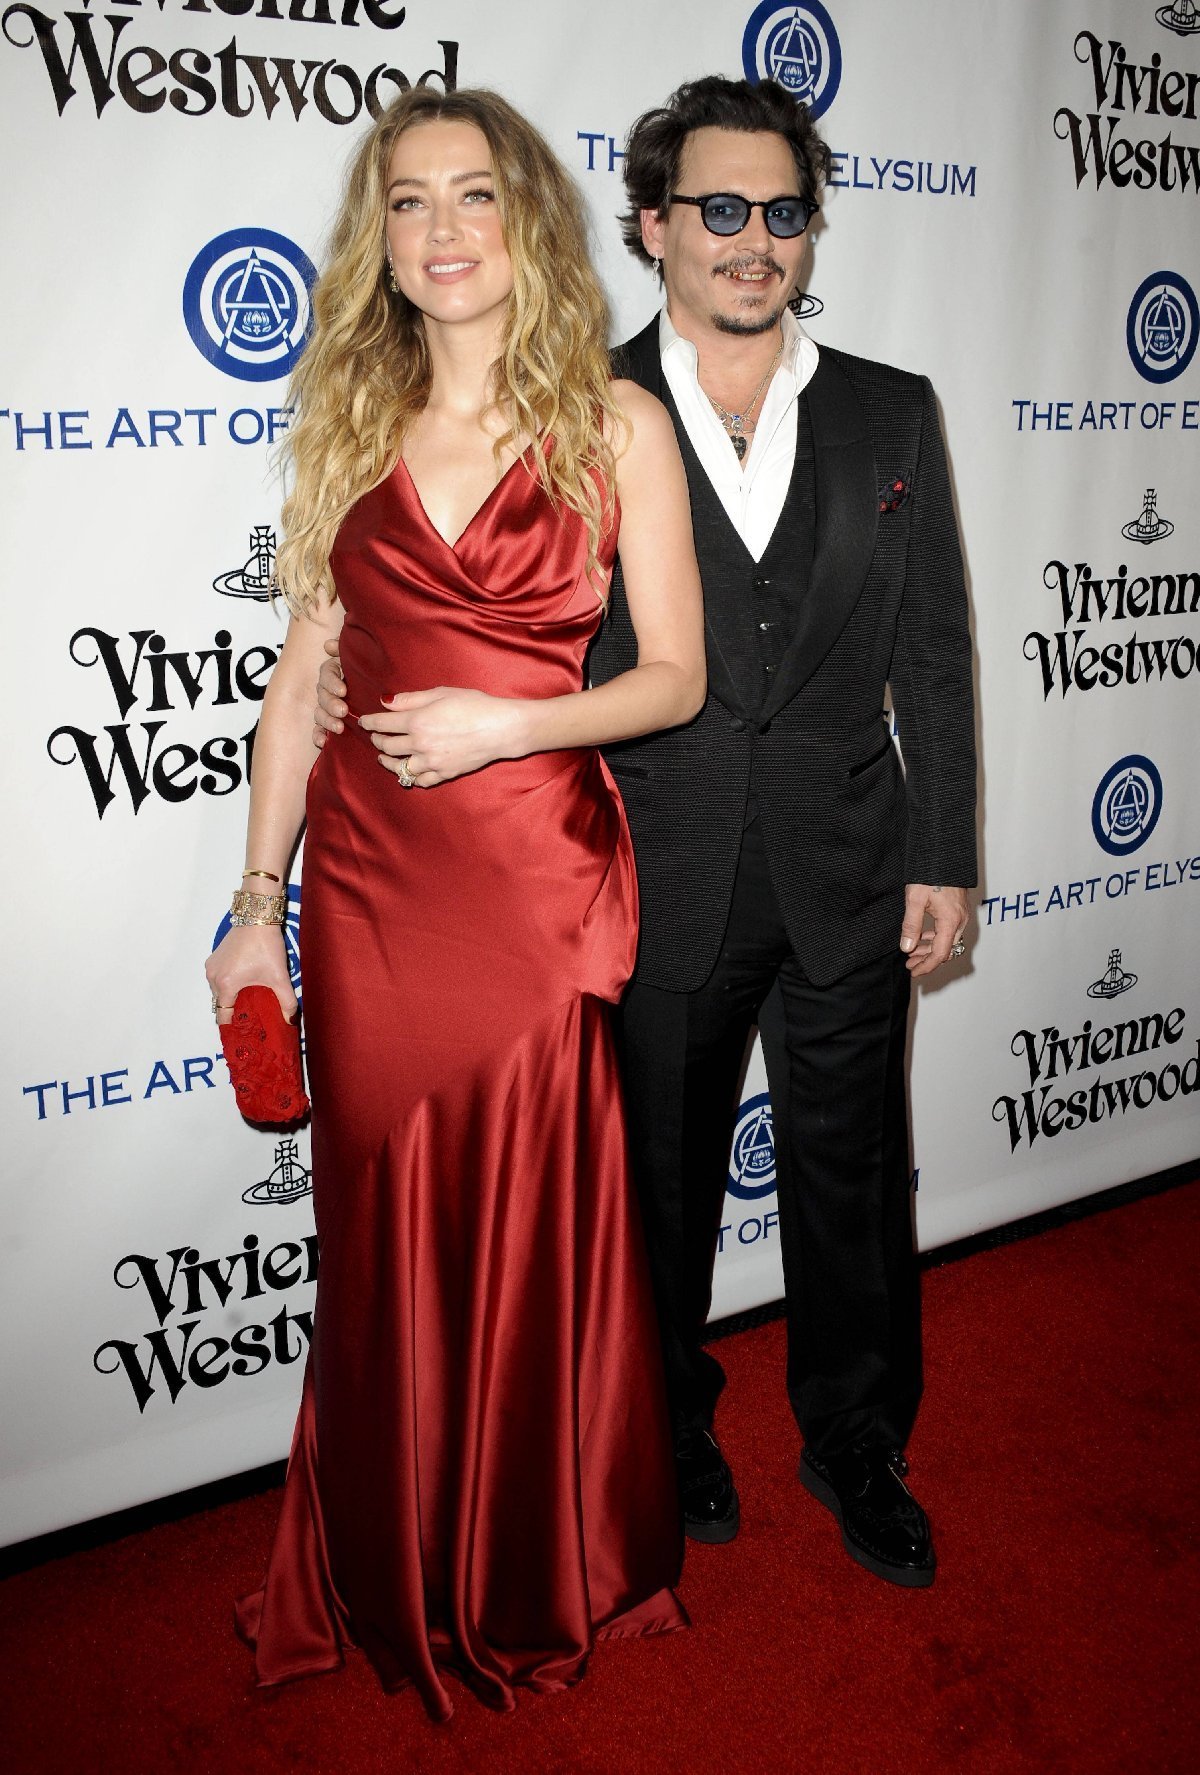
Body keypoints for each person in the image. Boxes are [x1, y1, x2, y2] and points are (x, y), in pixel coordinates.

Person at [316, 76, 976, 1589]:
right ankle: (668, 1430)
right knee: (656, 1194)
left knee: (854, 1179)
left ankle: (856, 1441)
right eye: (719, 208)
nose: (755, 239)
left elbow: (932, 651)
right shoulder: (572, 403)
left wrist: (945, 848)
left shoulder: (892, 409)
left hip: (850, 862)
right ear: (652, 225)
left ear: (811, 230)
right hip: (648, 869)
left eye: (784, 211)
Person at [206, 86, 705, 1720]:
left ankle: (532, 1559)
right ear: (381, 237)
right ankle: (386, 1559)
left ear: (526, 219)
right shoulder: (351, 416)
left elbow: (676, 679)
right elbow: (301, 687)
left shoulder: (615, 423)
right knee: (380, 1234)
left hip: (530, 887)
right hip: (366, 896)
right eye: (407, 201)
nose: (441, 229)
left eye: (472, 193)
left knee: (529, 1228)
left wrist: (513, 722)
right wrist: (255, 902)